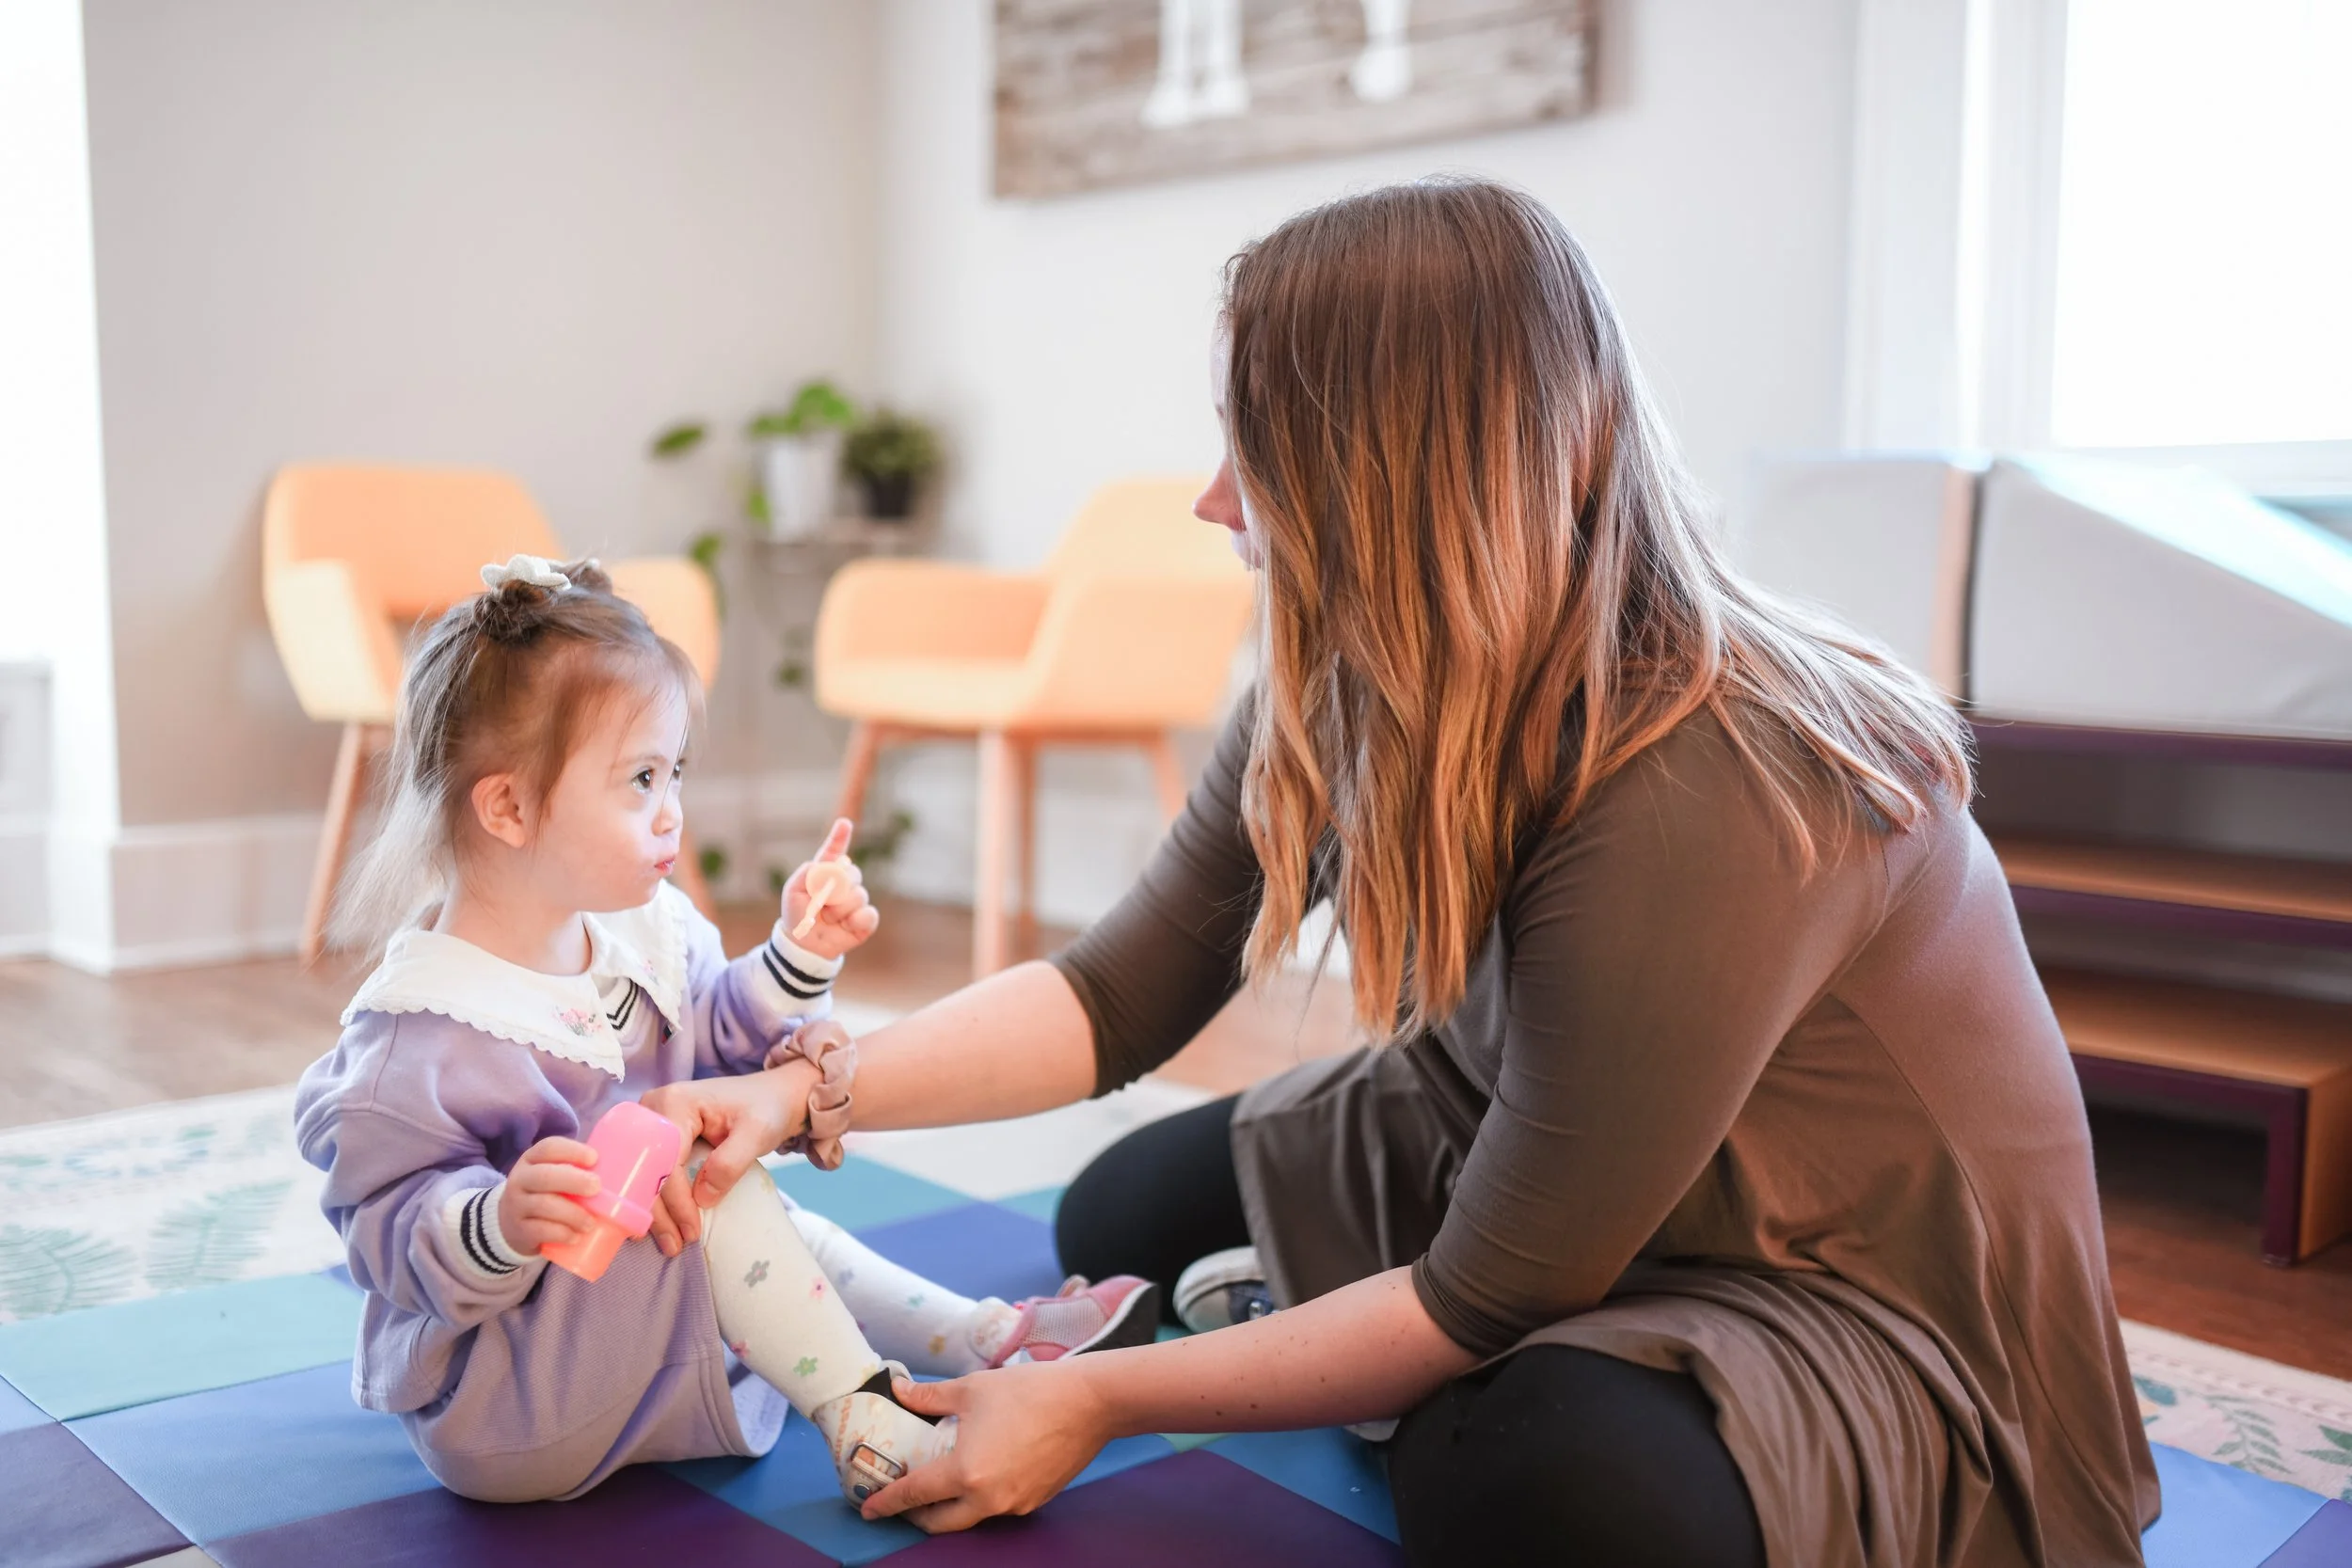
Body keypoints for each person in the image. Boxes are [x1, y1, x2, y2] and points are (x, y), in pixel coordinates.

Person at [648, 178, 2160, 1567]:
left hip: (1838, 1276)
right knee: (1118, 1216)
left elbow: (1486, 1291)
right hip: (1532, 1129)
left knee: (1520, 1470)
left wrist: (1099, 1399)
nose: (1215, 498)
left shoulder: (1715, 779)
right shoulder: (1350, 678)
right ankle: (1359, 1336)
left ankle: (1466, 1369)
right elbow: (1122, 987)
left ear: (1394, 476)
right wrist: (800, 1092)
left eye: (1260, 449)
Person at [294, 555, 1155, 1508]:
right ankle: (866, 1417)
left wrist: (799, 955)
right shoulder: (421, 1030)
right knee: (718, 1195)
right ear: (507, 805)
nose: (673, 813)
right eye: (639, 780)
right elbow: (383, 1227)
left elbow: (728, 1046)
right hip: (518, 1400)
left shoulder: (639, 928)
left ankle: (985, 1336)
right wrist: (497, 1218)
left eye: (675, 772)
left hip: (649, 1339)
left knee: (759, 1212)